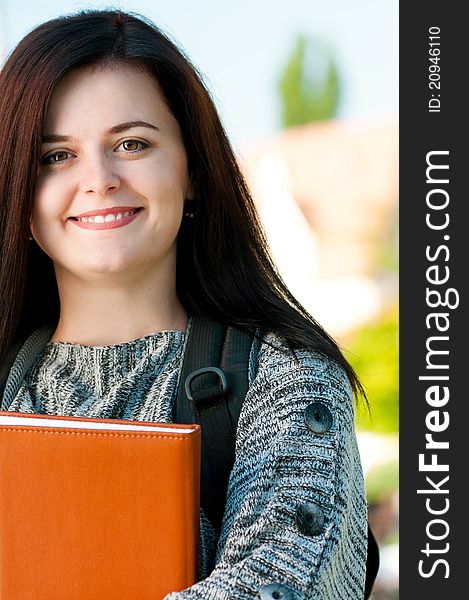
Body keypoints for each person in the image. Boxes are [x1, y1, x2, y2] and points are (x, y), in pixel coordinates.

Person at [0, 9, 369, 599]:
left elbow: (273, 584)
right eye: (55, 156)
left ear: (193, 170)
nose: (98, 179)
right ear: (18, 190)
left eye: (132, 143)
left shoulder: (289, 381)